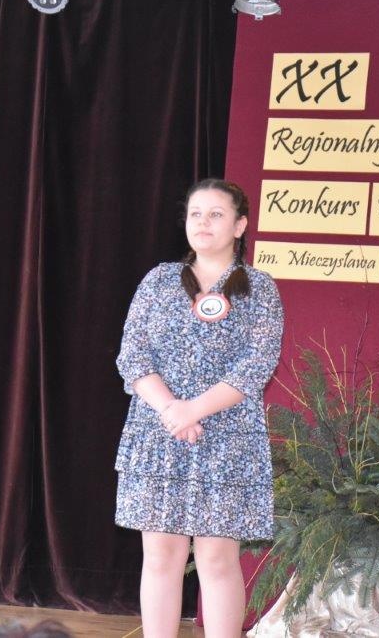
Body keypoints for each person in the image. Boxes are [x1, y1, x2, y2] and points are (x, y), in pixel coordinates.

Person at [114, 178, 283, 637]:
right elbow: (133, 356)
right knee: (160, 556)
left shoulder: (260, 288)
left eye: (216, 214)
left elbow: (257, 364)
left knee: (217, 558)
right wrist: (172, 409)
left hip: (227, 436)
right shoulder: (158, 281)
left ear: (240, 225)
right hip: (159, 431)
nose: (203, 223)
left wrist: (195, 410)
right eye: (196, 214)